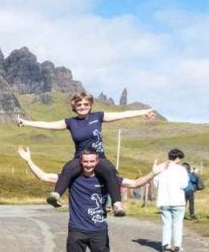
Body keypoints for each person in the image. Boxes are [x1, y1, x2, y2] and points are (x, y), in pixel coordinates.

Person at [17, 146, 164, 252]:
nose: (88, 165)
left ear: (97, 161)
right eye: (85, 161)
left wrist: (153, 173)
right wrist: (28, 160)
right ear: (80, 161)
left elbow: (134, 183)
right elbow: (43, 176)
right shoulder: (72, 177)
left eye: (92, 161)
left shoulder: (108, 178)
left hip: (99, 232)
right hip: (76, 231)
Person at [15, 92, 157, 217]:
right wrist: (26, 122)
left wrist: (144, 112)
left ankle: (117, 205)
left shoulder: (98, 116)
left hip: (98, 157)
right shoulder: (70, 122)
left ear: (90, 105)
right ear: (74, 106)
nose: (82, 106)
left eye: (86, 104)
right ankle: (56, 195)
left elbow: (122, 115)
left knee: (109, 170)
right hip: (80, 157)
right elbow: (49, 124)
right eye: (79, 104)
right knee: (68, 168)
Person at [153, 149, 191, 252]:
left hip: (164, 200)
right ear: (177, 158)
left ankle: (166, 245)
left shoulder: (161, 168)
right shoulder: (181, 170)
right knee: (177, 224)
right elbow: (184, 185)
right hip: (177, 200)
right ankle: (177, 246)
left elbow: (156, 183)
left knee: (166, 224)